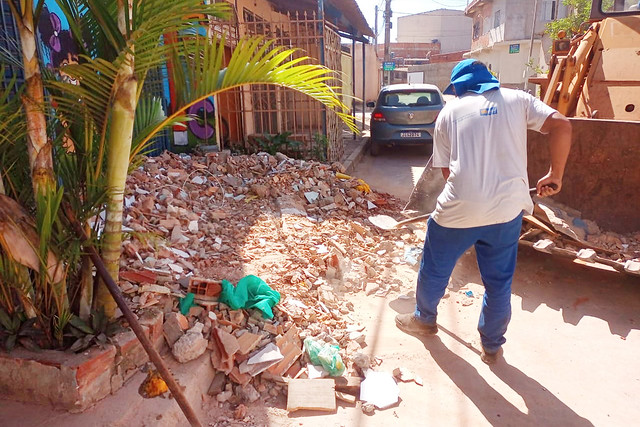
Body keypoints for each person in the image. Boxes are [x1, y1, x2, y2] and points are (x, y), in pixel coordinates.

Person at [395, 59, 572, 364]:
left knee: (435, 268)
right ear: (491, 80)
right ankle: (491, 345)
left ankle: (424, 320)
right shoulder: (519, 99)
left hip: (458, 211)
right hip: (507, 212)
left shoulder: (449, 112)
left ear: (459, 87)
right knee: (498, 282)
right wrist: (555, 174)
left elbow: (446, 171)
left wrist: (472, 193)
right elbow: (562, 125)